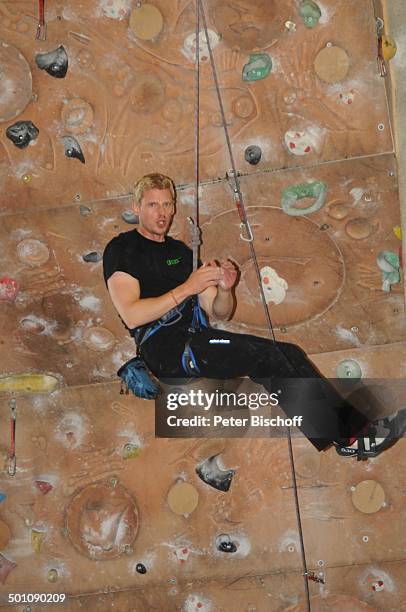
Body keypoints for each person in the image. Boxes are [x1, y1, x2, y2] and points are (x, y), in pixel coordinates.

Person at [103, 173, 406, 459]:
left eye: (167, 204)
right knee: (265, 358)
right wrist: (187, 288)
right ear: (137, 207)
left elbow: (218, 311)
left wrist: (224, 289)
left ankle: (351, 436)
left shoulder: (181, 253)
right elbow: (131, 315)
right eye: (153, 204)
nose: (162, 212)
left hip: (198, 339)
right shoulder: (123, 249)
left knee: (285, 354)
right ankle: (353, 436)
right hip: (166, 349)